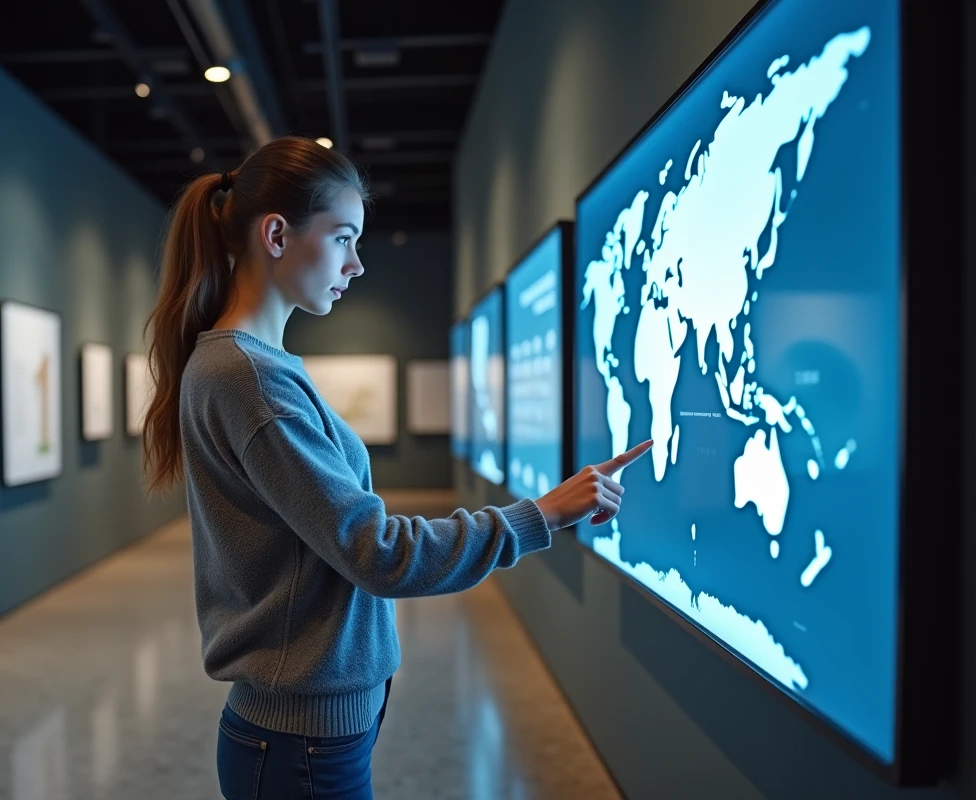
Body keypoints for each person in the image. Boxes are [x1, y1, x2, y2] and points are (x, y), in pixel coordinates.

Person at [142, 136, 652, 800]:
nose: (356, 265)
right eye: (343, 237)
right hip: (300, 741)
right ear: (276, 235)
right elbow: (377, 552)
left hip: (308, 730)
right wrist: (542, 515)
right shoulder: (248, 377)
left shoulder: (253, 368)